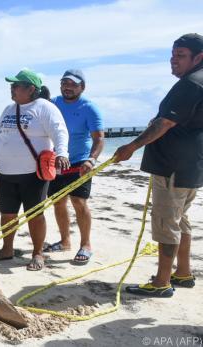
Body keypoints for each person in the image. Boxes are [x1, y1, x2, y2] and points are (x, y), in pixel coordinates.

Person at [114, 33, 203, 297]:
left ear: (198, 57)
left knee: (166, 224)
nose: (173, 61)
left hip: (173, 167)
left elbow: (164, 123)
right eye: (173, 55)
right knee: (179, 220)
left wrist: (130, 147)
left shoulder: (191, 84)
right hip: (190, 166)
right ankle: (183, 273)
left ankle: (161, 282)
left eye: (181, 56)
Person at [0, 69, 69, 271]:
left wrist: (62, 153)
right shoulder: (7, 109)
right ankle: (7, 250)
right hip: (6, 173)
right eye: (11, 86)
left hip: (33, 174)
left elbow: (60, 132)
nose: (12, 89)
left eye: (16, 86)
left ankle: (37, 253)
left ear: (31, 89)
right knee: (7, 214)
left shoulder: (44, 107)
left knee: (35, 215)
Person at [44, 69, 105, 264]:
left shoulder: (89, 108)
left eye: (73, 84)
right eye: (64, 83)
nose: (68, 87)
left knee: (79, 202)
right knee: (58, 201)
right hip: (57, 160)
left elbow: (99, 138)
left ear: (82, 87)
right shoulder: (52, 104)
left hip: (80, 161)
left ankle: (86, 245)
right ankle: (65, 241)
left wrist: (92, 160)